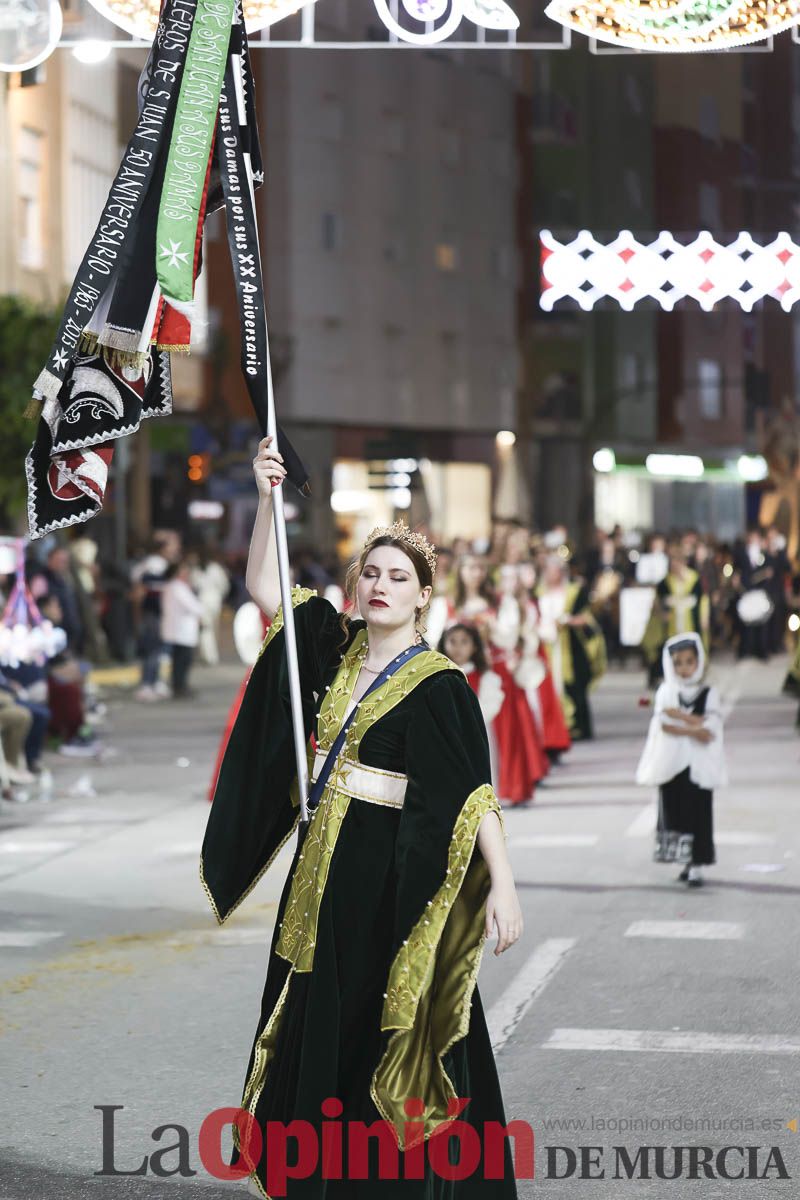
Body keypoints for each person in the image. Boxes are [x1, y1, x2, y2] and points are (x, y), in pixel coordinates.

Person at [201, 435, 523, 1198]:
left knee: (390, 1030)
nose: (381, 585)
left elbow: (473, 797)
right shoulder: (334, 649)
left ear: (422, 596)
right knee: (319, 1023)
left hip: (391, 883)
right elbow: (264, 588)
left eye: (397, 577)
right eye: (370, 572)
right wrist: (266, 497)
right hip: (321, 876)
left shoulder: (441, 684)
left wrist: (503, 888)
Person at [635, 633, 726, 888]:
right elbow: (665, 724)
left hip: (697, 767)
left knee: (698, 813)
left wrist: (680, 717)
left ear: (699, 662)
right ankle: (685, 862)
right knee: (677, 812)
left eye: (689, 662)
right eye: (678, 663)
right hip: (674, 766)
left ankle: (696, 865)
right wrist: (694, 725)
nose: (684, 669)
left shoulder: (708, 692)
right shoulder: (667, 690)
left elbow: (711, 727)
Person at [537, 557, 606, 741]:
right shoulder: (539, 592)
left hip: (572, 645)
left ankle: (579, 726)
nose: (553, 574)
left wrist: (567, 621)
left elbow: (586, 617)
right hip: (549, 645)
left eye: (556, 570)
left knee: (575, 686)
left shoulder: (574, 591)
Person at [439, 622, 505, 793]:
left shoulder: (485, 677)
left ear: (475, 646)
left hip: (476, 734)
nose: (458, 647)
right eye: (452, 641)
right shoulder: (439, 676)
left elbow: (489, 707)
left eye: (464, 642)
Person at [160, 561, 202, 699]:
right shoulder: (177, 587)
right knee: (181, 661)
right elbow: (193, 606)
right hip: (180, 631)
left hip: (181, 631)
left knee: (182, 661)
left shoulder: (176, 587)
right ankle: (179, 687)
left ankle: (181, 686)